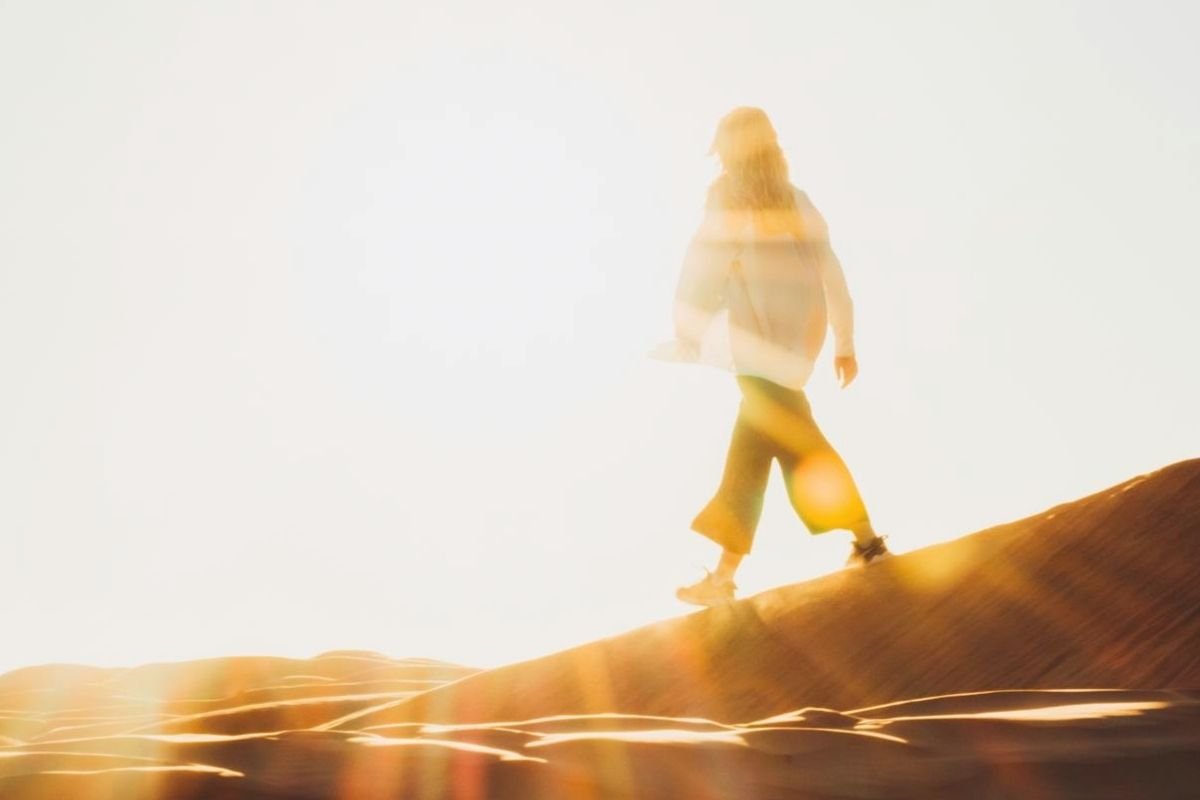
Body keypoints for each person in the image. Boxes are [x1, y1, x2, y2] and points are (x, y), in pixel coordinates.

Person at [671, 107, 890, 608]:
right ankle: (724, 578)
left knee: (797, 444)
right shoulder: (797, 201)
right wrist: (844, 341)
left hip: (754, 347)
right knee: (755, 447)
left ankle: (867, 541)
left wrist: (689, 328)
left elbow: (705, 263)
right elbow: (831, 270)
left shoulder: (725, 197)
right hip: (795, 348)